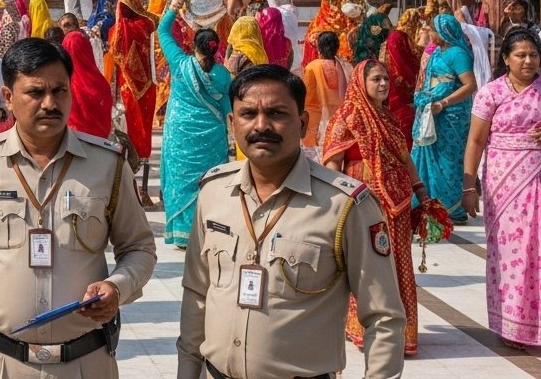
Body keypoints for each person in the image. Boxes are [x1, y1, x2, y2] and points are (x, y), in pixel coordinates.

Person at [0, 37, 157, 379]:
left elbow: (140, 249)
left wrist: (118, 285)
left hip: (85, 363)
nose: (49, 103)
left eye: (60, 91)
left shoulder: (108, 165)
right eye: (35, 92)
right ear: (7, 97)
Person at [176, 64, 406, 379]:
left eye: (276, 113)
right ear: (232, 123)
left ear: (301, 124)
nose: (261, 125)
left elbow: (384, 318)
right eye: (247, 114)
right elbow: (197, 294)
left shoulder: (344, 205)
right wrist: (187, 372)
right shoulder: (214, 192)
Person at [461, 28, 541, 349]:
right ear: (505, 58)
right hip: (506, 184)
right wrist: (469, 186)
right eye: (520, 55)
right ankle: (515, 328)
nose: (528, 60)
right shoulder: (491, 93)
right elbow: (476, 140)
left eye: (533, 54)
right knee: (515, 254)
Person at [323, 59, 430, 355]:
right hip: (363, 200)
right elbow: (333, 162)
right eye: (376, 80)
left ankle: (400, 332)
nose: (383, 84)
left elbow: (405, 159)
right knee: (368, 264)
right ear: (361, 82)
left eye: (386, 79)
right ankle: (364, 327)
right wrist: (338, 200)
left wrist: (422, 193)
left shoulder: (390, 118)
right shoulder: (348, 116)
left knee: (398, 264)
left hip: (397, 203)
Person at [159, 0, 233, 247]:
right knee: (209, 181)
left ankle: (181, 233)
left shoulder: (180, 64)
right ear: (215, 48)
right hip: (212, 137)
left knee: (181, 180)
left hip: (181, 136)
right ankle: (206, 230)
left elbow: (162, 30)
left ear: (193, 44)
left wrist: (177, 1)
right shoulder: (223, 74)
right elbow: (228, 108)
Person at [412, 13, 478, 223]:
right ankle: (431, 203)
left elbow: (470, 85)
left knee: (449, 159)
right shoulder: (437, 53)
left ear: (443, 31)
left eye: (431, 29)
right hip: (432, 113)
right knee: (432, 158)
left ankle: (452, 208)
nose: (429, 33)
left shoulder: (458, 53)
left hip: (451, 116)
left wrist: (443, 103)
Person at [109, 0, 158, 188]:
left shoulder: (115, 30)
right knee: (145, 122)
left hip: (127, 85)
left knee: (131, 122)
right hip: (147, 85)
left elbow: (114, 59)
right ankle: (144, 155)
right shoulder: (148, 26)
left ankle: (134, 157)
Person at [302, 31, 351, 154]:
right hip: (342, 122)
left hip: (318, 123)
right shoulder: (347, 66)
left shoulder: (312, 67)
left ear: (319, 48)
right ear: (337, 47)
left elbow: (308, 98)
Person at [61, 29, 114, 138]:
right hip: (98, 145)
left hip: (71, 145)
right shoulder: (100, 83)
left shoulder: (61, 84)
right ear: (87, 49)